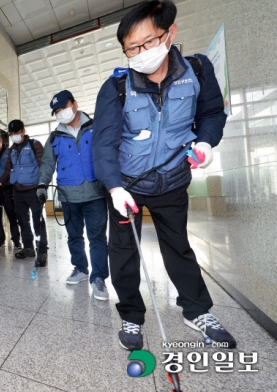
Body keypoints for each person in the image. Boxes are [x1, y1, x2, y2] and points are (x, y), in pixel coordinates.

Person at [92, 0, 236, 350]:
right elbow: (104, 142)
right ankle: (130, 314)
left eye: (147, 42)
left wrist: (205, 142)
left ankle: (196, 310)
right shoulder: (117, 87)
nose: (140, 53)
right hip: (128, 186)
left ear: (169, 33)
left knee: (178, 247)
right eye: (131, 48)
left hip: (172, 181)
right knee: (123, 251)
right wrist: (113, 187)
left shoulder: (198, 71)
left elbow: (213, 114)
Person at [37, 90, 109, 300]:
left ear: (75, 104)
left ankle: (98, 278)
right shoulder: (55, 136)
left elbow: (108, 153)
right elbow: (49, 162)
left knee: (97, 237)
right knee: (74, 236)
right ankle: (80, 269)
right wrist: (42, 183)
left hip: (95, 193)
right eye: (57, 111)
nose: (61, 113)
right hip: (68, 195)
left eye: (63, 108)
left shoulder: (95, 127)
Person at [0, 120, 47, 267]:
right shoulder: (11, 150)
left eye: (16, 133)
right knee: (23, 221)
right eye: (11, 134)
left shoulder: (35, 144)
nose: (13, 136)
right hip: (17, 191)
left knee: (38, 221)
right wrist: (0, 182)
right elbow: (7, 170)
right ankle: (28, 247)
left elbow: (44, 166)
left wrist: (43, 185)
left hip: (34, 189)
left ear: (23, 131)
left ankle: (42, 251)